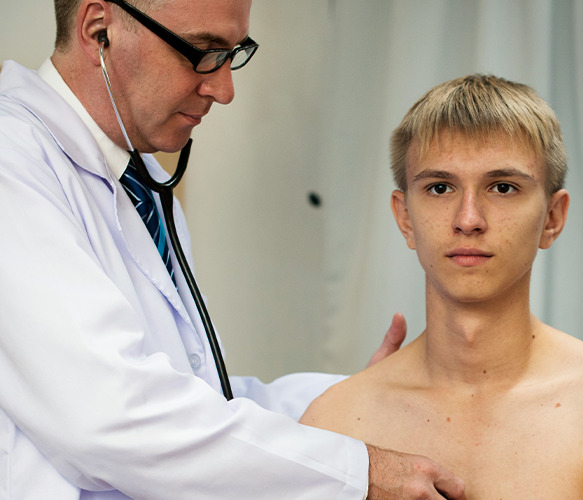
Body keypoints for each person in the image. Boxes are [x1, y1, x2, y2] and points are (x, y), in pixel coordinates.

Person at [0, 0, 466, 498]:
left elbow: (199, 398)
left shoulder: (141, 187)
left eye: (233, 53)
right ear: (98, 31)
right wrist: (358, 474)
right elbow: (107, 415)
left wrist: (354, 399)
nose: (223, 90)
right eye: (202, 52)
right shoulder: (13, 162)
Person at [300, 74, 583, 499]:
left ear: (553, 218)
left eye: (503, 187)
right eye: (440, 187)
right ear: (405, 217)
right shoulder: (336, 422)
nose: (468, 219)